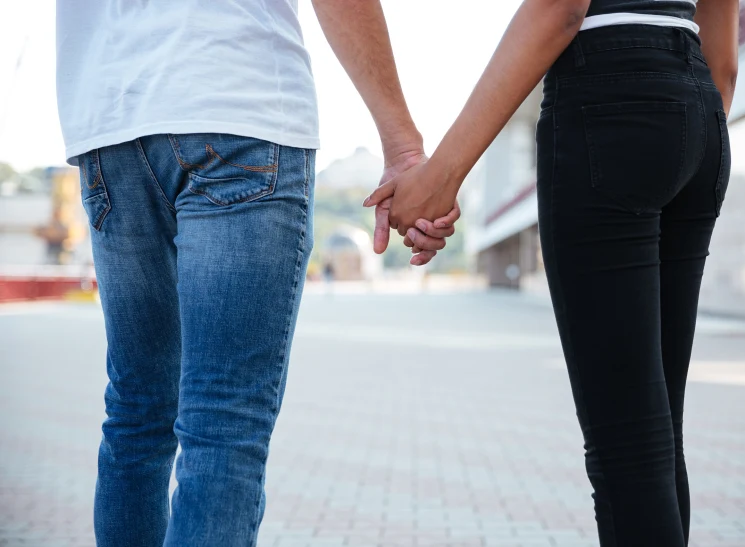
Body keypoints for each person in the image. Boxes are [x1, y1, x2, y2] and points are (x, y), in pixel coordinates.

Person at [55, 1, 457, 545]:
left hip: (109, 122)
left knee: (135, 415)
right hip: (236, 102)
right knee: (222, 424)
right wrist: (403, 144)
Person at [366, 0, 739, 544]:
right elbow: (723, 54)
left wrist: (442, 175)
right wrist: (688, 122)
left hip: (609, 98)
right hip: (701, 106)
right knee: (658, 435)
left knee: (630, 449)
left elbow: (560, 8)